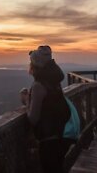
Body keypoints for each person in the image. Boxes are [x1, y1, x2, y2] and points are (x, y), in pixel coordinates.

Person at [20, 45, 72, 173]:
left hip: (48, 142)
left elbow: (33, 118)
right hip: (60, 137)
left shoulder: (39, 85)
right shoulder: (54, 82)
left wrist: (26, 99)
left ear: (35, 65)